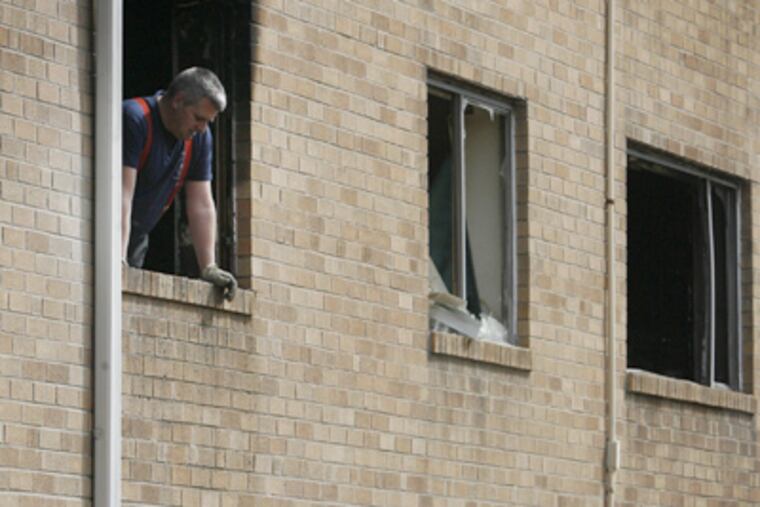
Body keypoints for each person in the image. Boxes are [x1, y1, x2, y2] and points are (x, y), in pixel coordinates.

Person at [122, 67, 237, 300]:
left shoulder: (200, 138)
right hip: (105, 231)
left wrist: (208, 267)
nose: (202, 128)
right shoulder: (135, 118)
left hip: (137, 237)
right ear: (178, 101)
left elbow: (201, 203)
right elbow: (121, 195)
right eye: (198, 118)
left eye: (208, 121)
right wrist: (118, 259)